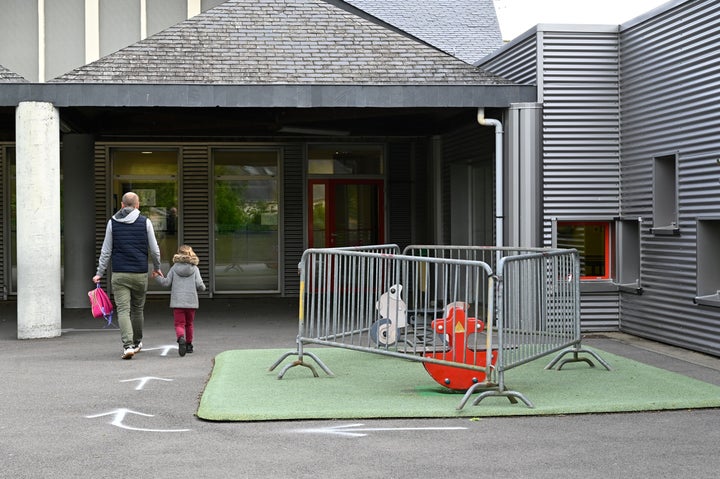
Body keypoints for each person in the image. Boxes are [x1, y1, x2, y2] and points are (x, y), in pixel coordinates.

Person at [93, 192, 163, 360]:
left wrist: (99, 273)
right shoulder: (145, 222)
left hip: (119, 274)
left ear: (122, 205)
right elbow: (154, 249)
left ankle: (128, 345)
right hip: (140, 273)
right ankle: (137, 342)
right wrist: (157, 267)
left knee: (123, 310)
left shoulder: (112, 222)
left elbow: (106, 250)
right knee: (137, 309)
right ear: (137, 205)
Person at [155, 244, 206, 357]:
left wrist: (157, 277)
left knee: (179, 324)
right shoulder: (195, 268)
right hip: (191, 302)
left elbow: (166, 283)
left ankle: (180, 338)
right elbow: (200, 285)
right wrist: (203, 287)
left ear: (178, 254)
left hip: (178, 302)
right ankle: (189, 345)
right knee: (189, 324)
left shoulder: (174, 267)